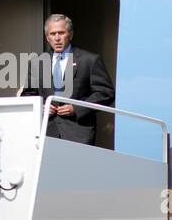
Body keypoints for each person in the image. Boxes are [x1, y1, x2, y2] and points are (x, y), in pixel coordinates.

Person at [21, 14, 115, 145]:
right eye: (53, 34)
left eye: (61, 33)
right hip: (46, 132)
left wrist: (76, 108)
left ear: (70, 34)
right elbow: (27, 94)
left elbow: (105, 93)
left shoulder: (90, 60)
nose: (57, 38)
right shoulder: (37, 62)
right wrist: (40, 107)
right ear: (47, 37)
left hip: (78, 133)